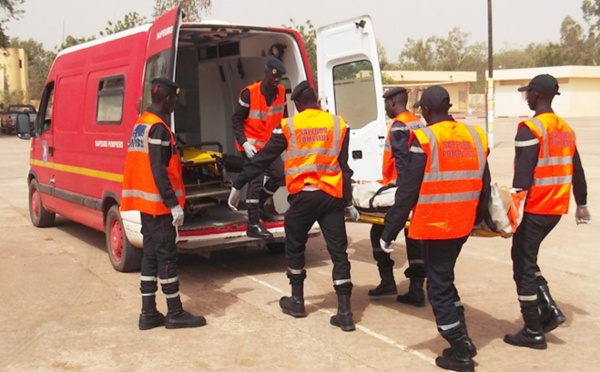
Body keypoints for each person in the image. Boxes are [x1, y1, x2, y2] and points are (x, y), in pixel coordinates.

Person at [228, 81, 360, 332]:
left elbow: (263, 158)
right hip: (332, 197)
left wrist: (239, 183)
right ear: (318, 103)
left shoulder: (289, 125)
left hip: (304, 198)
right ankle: (345, 313)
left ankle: (297, 301)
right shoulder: (338, 124)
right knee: (339, 253)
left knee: (294, 245)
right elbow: (344, 167)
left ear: (297, 105)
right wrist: (349, 201)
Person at [380, 86, 490, 372]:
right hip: (463, 223)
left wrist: (389, 230)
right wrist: (478, 218)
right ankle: (463, 337)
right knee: (445, 278)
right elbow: (484, 182)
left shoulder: (426, 138)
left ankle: (459, 350)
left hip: (437, 223)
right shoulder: (475, 135)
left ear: (426, 111)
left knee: (438, 288)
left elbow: (408, 191)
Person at [503, 74, 590, 349]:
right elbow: (577, 169)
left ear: (537, 95)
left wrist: (511, 216)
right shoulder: (564, 128)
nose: (526, 97)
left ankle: (533, 329)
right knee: (526, 258)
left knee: (522, 267)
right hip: (555, 209)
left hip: (535, 208)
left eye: (528, 93)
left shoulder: (531, 128)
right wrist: (582, 203)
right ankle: (549, 310)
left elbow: (523, 179)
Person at [121, 77, 207, 330]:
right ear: (168, 99)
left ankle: (148, 312)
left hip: (146, 205)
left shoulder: (141, 124)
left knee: (150, 256)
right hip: (159, 207)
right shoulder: (158, 128)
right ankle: (175, 313)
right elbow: (158, 170)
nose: (175, 103)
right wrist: (173, 204)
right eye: (174, 99)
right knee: (167, 258)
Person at [368, 87, 427, 308]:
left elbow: (402, 164)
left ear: (393, 101)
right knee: (415, 239)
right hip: (419, 189)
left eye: (386, 103)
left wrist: (402, 196)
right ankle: (416, 289)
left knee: (378, 232)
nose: (385, 108)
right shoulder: (418, 122)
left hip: (401, 191)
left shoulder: (400, 126)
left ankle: (388, 281)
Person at [231, 57, 287, 239]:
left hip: (269, 146)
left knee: (279, 174)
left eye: (279, 78)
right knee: (256, 179)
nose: (276, 81)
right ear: (265, 73)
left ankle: (259, 206)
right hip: (251, 145)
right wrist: (244, 142)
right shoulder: (249, 93)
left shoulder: (281, 92)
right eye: (274, 77)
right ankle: (253, 224)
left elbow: (283, 119)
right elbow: (236, 120)